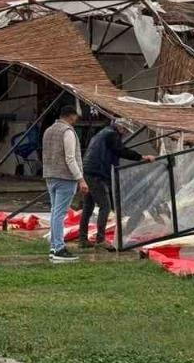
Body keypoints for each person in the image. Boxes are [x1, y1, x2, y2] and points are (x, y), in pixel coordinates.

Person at [80, 118, 153, 250]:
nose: (124, 133)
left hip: (88, 171)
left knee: (88, 207)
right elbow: (121, 150)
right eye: (124, 130)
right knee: (105, 206)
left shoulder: (103, 132)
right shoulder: (112, 134)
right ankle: (100, 239)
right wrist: (142, 157)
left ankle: (83, 239)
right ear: (120, 127)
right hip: (97, 173)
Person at [41, 109, 87, 263]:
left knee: (55, 212)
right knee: (59, 214)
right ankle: (59, 248)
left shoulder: (48, 130)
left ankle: (54, 247)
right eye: (75, 116)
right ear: (71, 116)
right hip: (65, 177)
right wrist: (80, 178)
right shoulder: (67, 131)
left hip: (50, 175)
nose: (76, 119)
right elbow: (70, 158)